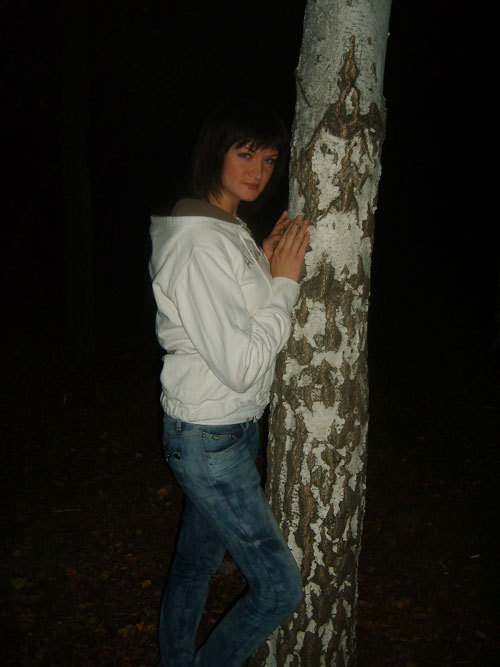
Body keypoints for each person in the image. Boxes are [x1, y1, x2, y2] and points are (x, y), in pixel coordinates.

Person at [149, 99, 310, 667]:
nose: (259, 171)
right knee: (279, 590)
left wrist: (263, 265)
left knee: (195, 565)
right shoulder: (199, 242)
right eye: (246, 154)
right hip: (209, 436)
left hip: (230, 428)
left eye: (269, 159)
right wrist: (284, 285)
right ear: (216, 152)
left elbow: (235, 310)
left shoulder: (228, 227)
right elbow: (240, 362)